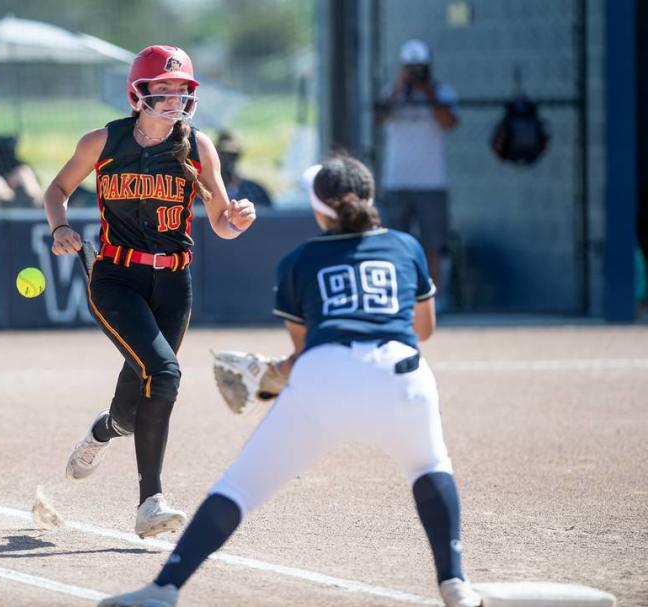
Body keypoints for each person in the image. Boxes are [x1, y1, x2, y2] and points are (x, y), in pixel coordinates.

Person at [99, 153, 482, 607]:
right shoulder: (406, 246)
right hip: (404, 375)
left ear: (319, 211)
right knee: (429, 467)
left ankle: (164, 590)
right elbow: (423, 330)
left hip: (326, 379)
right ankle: (455, 584)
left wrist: (266, 375)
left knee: (238, 488)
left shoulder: (299, 260)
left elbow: (305, 354)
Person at [45, 45, 257, 539]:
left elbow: (222, 223)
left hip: (173, 283)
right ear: (138, 94)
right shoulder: (103, 140)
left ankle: (104, 430)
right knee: (163, 371)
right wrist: (59, 229)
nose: (173, 98)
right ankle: (151, 502)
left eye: (181, 89)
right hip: (116, 277)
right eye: (162, 89)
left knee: (138, 392)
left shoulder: (198, 147)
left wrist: (238, 221)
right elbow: (57, 190)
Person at [375, 39, 459, 289]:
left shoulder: (442, 93)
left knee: (433, 244)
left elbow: (448, 122)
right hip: (397, 181)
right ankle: (397, 293)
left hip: (431, 183)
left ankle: (434, 296)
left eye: (419, 67)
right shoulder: (391, 92)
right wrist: (399, 88)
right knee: (393, 242)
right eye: (410, 68)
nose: (415, 73)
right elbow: (379, 117)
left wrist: (427, 91)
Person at [215, 130, 272, 207]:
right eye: (223, 154)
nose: (228, 159)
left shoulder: (255, 191)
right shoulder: (205, 191)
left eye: (233, 155)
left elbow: (268, 215)